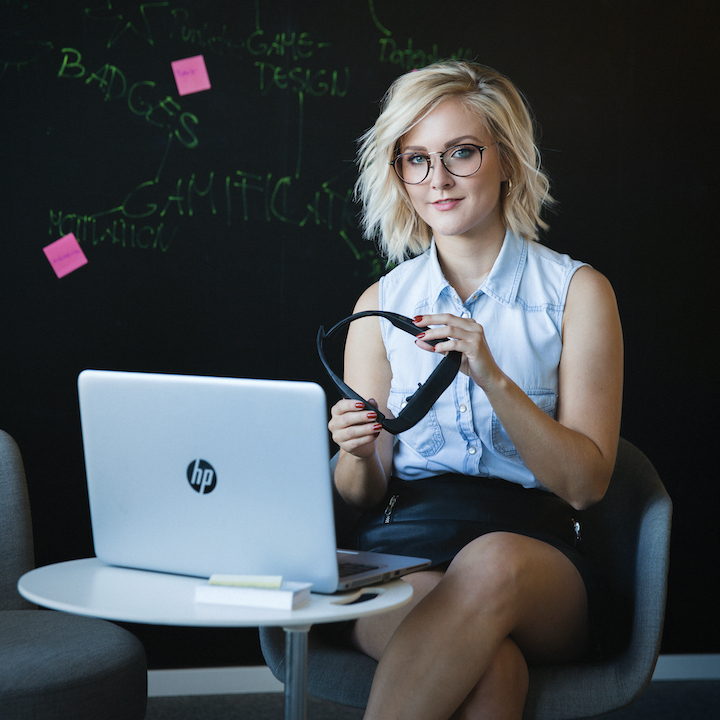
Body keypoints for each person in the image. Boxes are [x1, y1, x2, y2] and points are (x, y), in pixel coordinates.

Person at [327, 61, 623, 720]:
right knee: (492, 670)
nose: (439, 179)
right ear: (398, 175)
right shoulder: (380, 305)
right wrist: (352, 451)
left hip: (536, 557)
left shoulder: (577, 294)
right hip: (405, 550)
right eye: (416, 160)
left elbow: (586, 485)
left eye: (461, 152)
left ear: (507, 160)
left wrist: (491, 374)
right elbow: (361, 492)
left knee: (489, 562)